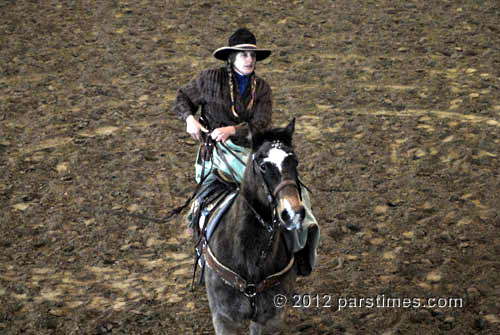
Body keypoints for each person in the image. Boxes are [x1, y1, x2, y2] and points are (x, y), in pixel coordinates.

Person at [174, 28, 319, 276]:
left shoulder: (262, 88)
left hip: (250, 152)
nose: (249, 60)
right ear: (231, 57)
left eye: (252, 55)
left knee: (295, 191)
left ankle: (299, 252)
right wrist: (189, 119)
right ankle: (203, 250)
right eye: (243, 55)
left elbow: (260, 125)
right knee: (205, 199)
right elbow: (183, 97)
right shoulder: (208, 78)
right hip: (216, 154)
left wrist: (232, 130)